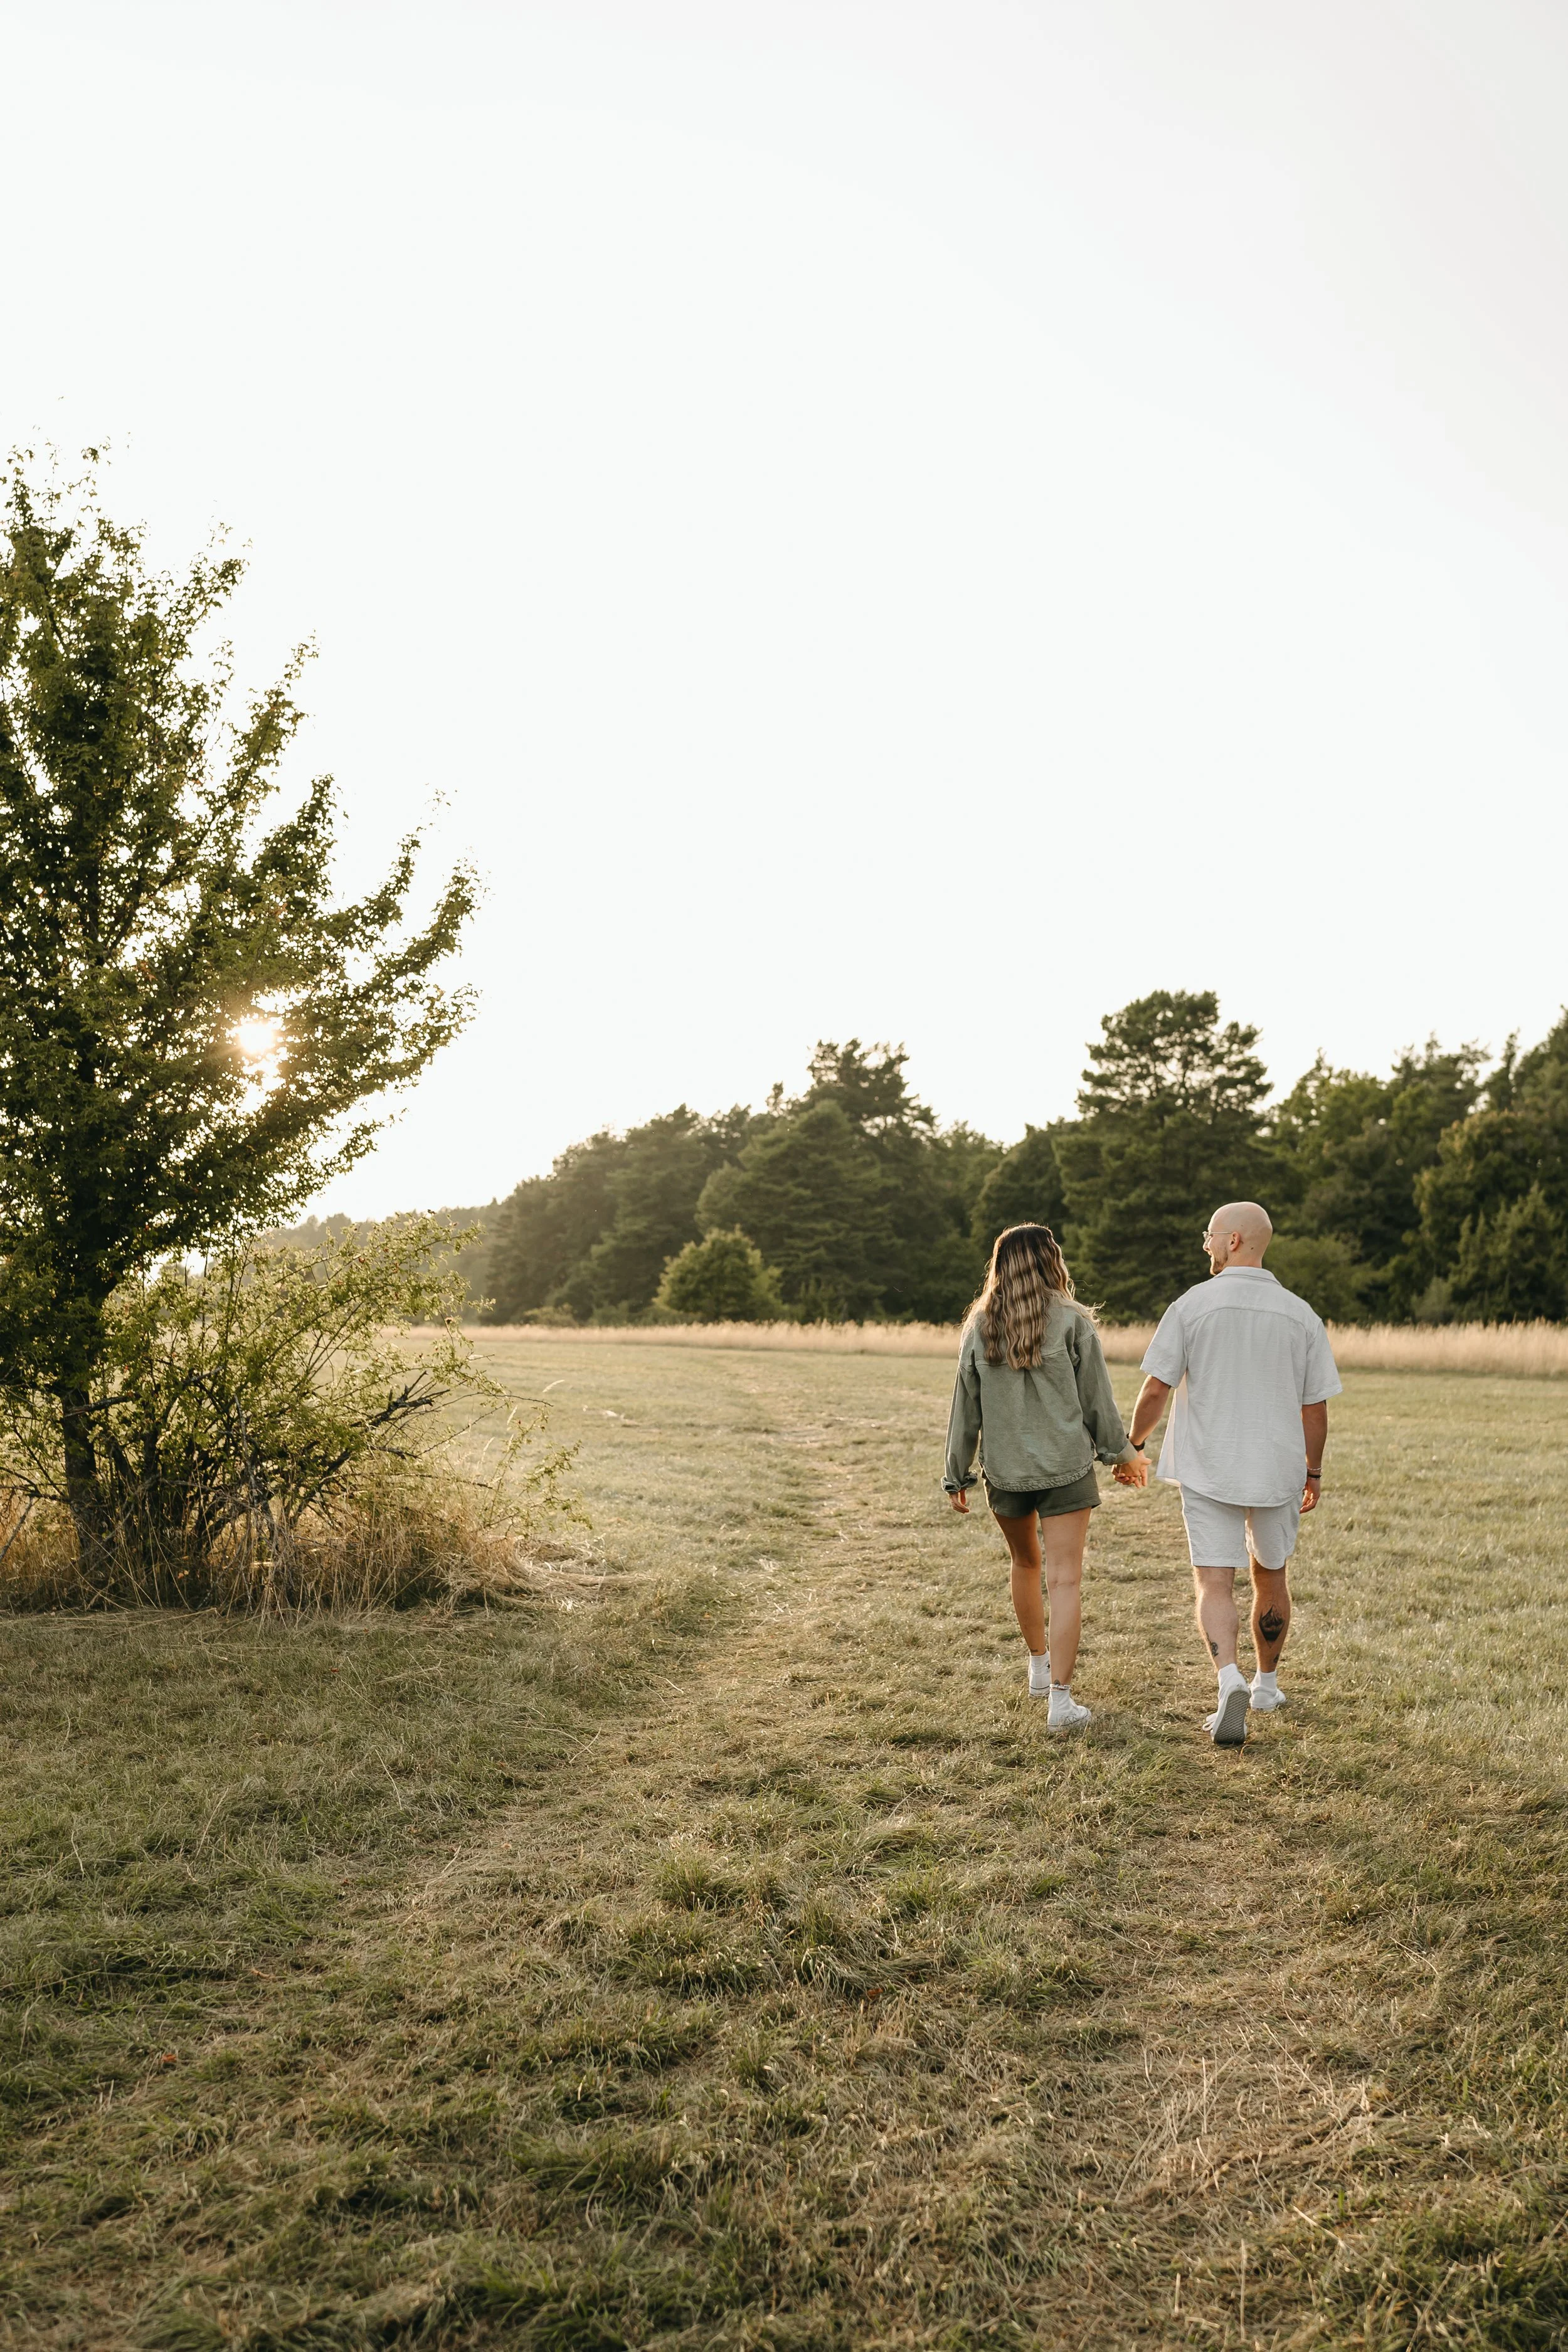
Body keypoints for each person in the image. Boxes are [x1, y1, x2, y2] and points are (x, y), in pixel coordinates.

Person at [1125, 1201, 1340, 1747]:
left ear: (1235, 1241)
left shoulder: (1192, 1305)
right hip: (1278, 1468)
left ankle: (1229, 1680)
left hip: (1209, 1466)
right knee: (1272, 1574)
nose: (1206, 1244)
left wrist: (1134, 1444)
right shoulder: (1301, 1314)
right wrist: (1313, 1472)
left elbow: (1156, 1388)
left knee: (1214, 1581)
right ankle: (1266, 1686)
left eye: (1211, 1235)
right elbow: (1315, 1409)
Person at [945, 1223, 1148, 1730]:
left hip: (1005, 1471)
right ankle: (1060, 1701)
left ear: (999, 1266)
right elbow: (1098, 1401)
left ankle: (1038, 1668)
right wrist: (1123, 1454)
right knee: (1065, 1580)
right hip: (1067, 1469)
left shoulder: (979, 1327)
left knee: (1024, 1564)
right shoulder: (1073, 1321)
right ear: (1051, 1260)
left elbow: (964, 1409)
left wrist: (956, 1475)